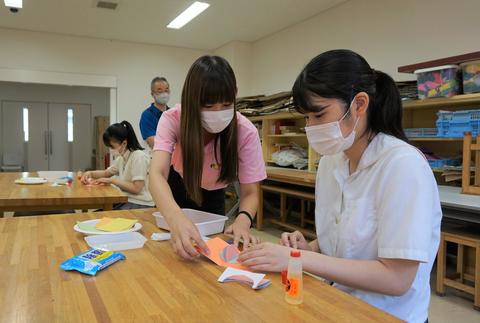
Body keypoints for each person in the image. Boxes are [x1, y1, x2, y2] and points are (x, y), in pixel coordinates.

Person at [238, 49, 441, 323]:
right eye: (306, 118)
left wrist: (296, 258)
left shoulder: (402, 166)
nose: (311, 127)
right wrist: (310, 248)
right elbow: (349, 237)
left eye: (319, 115)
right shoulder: (331, 162)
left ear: (359, 105)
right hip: (336, 303)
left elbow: (396, 278)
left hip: (388, 315)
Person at [149, 55, 266, 260]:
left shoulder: (245, 131)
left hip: (215, 193)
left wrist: (243, 220)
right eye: (208, 106)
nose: (218, 113)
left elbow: (250, 192)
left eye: (226, 104)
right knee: (176, 252)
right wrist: (176, 217)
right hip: (178, 187)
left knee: (209, 254)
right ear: (192, 99)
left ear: (235, 95)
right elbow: (157, 174)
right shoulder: (173, 119)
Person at [81, 121, 154, 209]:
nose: (110, 150)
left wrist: (112, 181)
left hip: (141, 203)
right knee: (99, 213)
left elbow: (136, 188)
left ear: (124, 143)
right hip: (127, 199)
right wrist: (90, 173)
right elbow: (106, 173)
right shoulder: (122, 158)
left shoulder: (138, 157)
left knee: (103, 217)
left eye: (112, 147)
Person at [140, 77, 171, 149]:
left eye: (166, 90)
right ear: (152, 94)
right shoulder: (147, 115)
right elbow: (153, 142)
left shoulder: (173, 113)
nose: (164, 94)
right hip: (156, 157)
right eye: (160, 91)